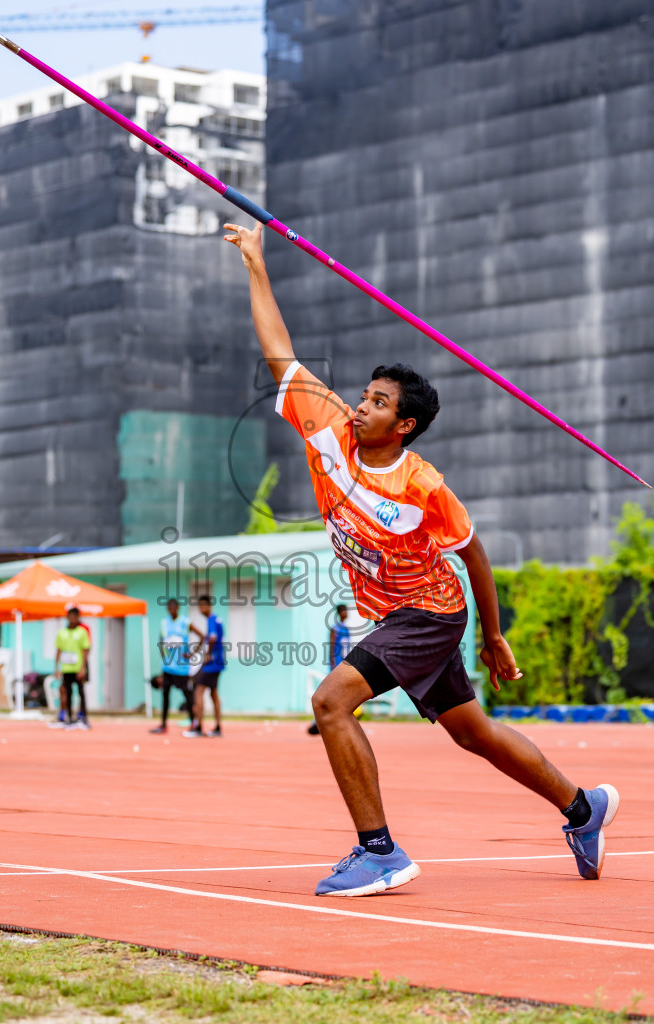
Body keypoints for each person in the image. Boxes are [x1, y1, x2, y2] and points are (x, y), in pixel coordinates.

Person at [224, 220, 619, 896]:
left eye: (377, 402)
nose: (360, 405)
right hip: (400, 615)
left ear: (401, 426)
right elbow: (277, 353)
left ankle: (377, 851)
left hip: (429, 612)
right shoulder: (326, 431)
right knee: (473, 734)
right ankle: (583, 810)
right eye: (364, 393)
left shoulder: (423, 487)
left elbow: (474, 555)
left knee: (330, 702)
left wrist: (492, 636)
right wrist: (256, 263)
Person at [150, 598, 199, 734]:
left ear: (177, 608)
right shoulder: (164, 623)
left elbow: (202, 636)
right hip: (167, 667)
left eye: (174, 607)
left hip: (181, 667)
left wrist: (192, 653)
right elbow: (161, 640)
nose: (171, 610)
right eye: (169, 608)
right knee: (165, 695)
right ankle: (163, 724)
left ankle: (193, 722)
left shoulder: (185, 622)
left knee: (187, 695)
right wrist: (164, 656)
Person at [183, 594, 225, 738]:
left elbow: (212, 638)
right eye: (199, 606)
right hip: (218, 662)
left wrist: (208, 654)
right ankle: (218, 727)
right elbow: (208, 639)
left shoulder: (212, 620)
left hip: (212, 663)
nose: (201, 609)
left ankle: (198, 727)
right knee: (213, 694)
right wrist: (192, 653)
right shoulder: (217, 619)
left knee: (198, 691)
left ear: (208, 606)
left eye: (202, 606)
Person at [308, 604, 352, 735]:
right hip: (336, 666)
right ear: (340, 613)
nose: (347, 613)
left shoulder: (347, 629)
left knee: (344, 696)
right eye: (345, 611)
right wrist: (333, 666)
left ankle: (342, 722)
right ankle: (317, 721)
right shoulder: (335, 629)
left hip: (345, 666)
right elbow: (332, 649)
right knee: (332, 694)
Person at [54, 607, 91, 730]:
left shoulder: (82, 632)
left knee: (81, 693)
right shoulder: (62, 633)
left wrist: (82, 668)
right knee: (67, 693)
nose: (72, 619)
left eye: (75, 616)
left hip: (78, 668)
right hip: (66, 668)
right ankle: (69, 717)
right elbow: (58, 650)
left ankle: (84, 717)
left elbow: (85, 651)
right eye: (70, 616)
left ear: (78, 617)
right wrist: (57, 668)